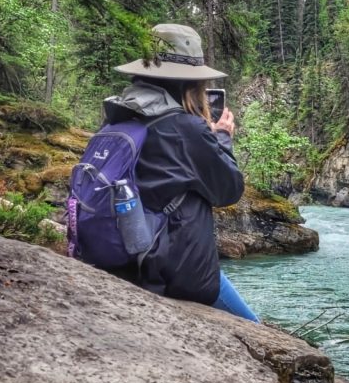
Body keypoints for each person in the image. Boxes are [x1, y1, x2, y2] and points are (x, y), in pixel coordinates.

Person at [103, 22, 259, 322]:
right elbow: (228, 190)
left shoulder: (117, 118)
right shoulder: (186, 129)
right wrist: (222, 137)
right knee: (255, 329)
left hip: (124, 260)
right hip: (174, 272)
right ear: (190, 84)